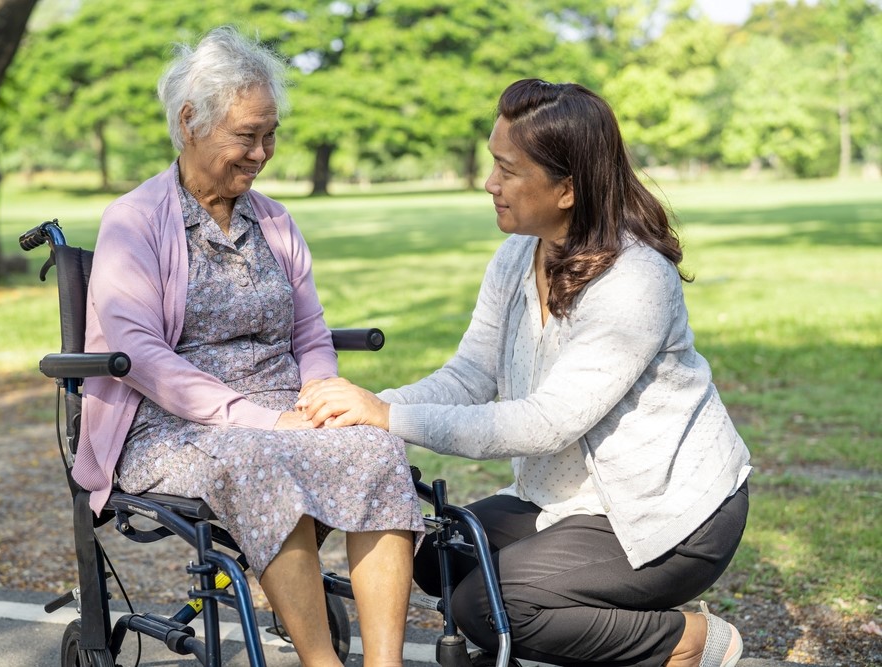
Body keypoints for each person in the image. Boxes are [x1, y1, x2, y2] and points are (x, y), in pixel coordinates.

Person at [298, 79, 752, 667]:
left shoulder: (634, 280)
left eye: (507, 170)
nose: (490, 183)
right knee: (437, 556)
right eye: (493, 163)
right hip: (566, 502)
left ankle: (687, 640)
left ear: (566, 189)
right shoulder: (520, 254)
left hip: (666, 514)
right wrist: (365, 407)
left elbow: (547, 424)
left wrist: (391, 417)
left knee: (485, 607)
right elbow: (469, 375)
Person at [71, 26, 424, 667]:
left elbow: (310, 333)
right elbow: (140, 352)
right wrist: (261, 418)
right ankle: (322, 663)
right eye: (246, 135)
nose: (262, 152)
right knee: (260, 457)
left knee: (375, 448)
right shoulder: (136, 219)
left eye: (271, 134)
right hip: (173, 426)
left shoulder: (275, 222)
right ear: (189, 123)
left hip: (283, 411)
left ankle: (385, 663)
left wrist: (319, 393)